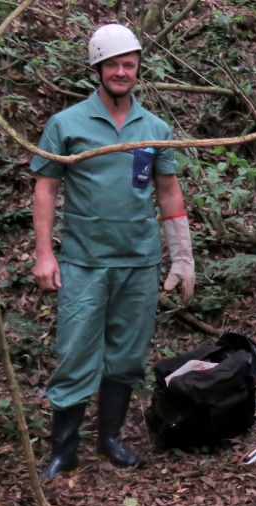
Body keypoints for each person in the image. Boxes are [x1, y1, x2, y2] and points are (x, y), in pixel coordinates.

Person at [30, 23, 195, 482]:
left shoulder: (154, 127)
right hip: (84, 261)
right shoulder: (67, 124)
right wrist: (45, 253)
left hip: (139, 261)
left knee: (126, 356)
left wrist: (182, 256)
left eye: (129, 64)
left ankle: (111, 440)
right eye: (112, 65)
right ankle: (64, 450)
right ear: (97, 68)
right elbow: (46, 189)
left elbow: (168, 191)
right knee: (75, 353)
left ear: (138, 68)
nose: (121, 72)